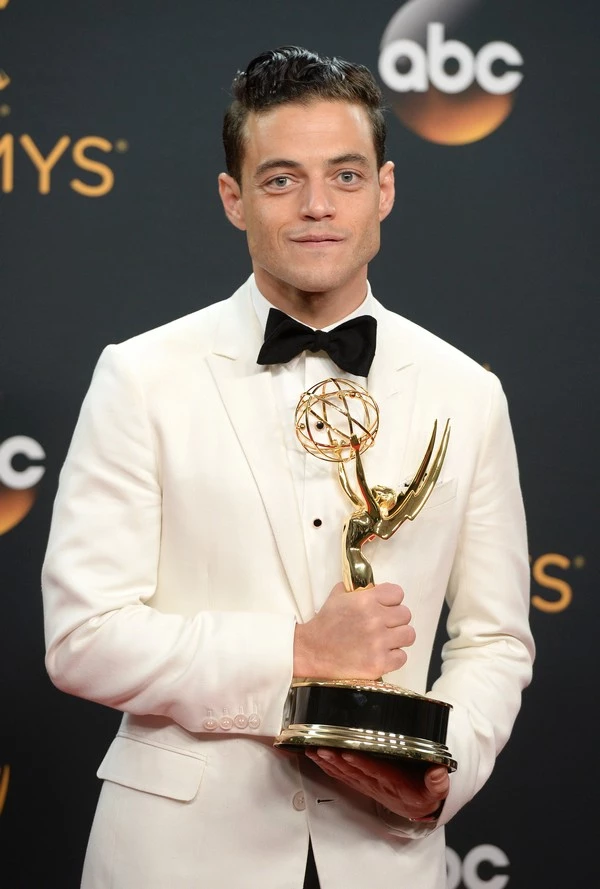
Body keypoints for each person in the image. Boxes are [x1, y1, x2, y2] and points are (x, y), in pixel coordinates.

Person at [41, 45, 535, 889]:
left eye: (344, 177)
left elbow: (494, 638)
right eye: (281, 179)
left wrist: (442, 766)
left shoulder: (468, 391)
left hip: (388, 856)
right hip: (175, 859)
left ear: (384, 189)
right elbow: (82, 638)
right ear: (234, 198)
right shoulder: (141, 374)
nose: (316, 206)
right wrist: (298, 650)